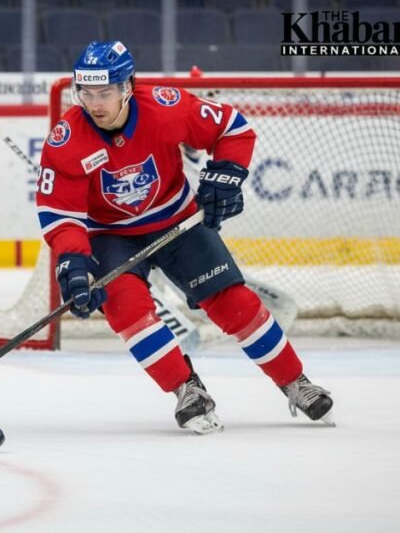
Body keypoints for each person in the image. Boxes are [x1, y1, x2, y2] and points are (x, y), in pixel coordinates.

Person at [37, 41, 334, 434]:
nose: (95, 103)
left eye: (105, 92)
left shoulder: (165, 106)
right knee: (126, 309)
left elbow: (233, 128)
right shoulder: (66, 139)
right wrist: (72, 263)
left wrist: (227, 172)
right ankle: (186, 390)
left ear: (127, 87)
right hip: (111, 235)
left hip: (177, 222)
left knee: (234, 303)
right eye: (86, 93)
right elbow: (61, 215)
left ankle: (296, 382)